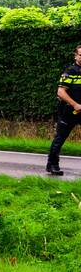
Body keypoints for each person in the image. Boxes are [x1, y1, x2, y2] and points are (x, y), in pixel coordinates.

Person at [46, 45, 81, 175]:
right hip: (68, 112)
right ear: (76, 56)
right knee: (60, 138)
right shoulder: (70, 71)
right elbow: (60, 92)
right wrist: (75, 104)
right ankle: (53, 165)